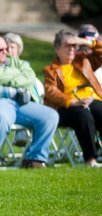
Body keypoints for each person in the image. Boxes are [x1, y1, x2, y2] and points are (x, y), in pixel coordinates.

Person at [0, 33, 58, 169]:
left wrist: (7, 77)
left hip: (17, 105)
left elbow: (30, 76)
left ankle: (34, 159)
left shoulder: (11, 61)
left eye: (6, 48)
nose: (6, 52)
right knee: (0, 116)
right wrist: (17, 75)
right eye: (1, 50)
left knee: (50, 116)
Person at [42, 28, 102, 167]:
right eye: (67, 45)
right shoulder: (50, 70)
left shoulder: (84, 61)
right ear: (57, 49)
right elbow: (51, 92)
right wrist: (73, 101)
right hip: (67, 107)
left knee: (100, 111)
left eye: (73, 46)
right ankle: (90, 159)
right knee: (83, 116)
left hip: (92, 100)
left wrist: (83, 41)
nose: (71, 49)